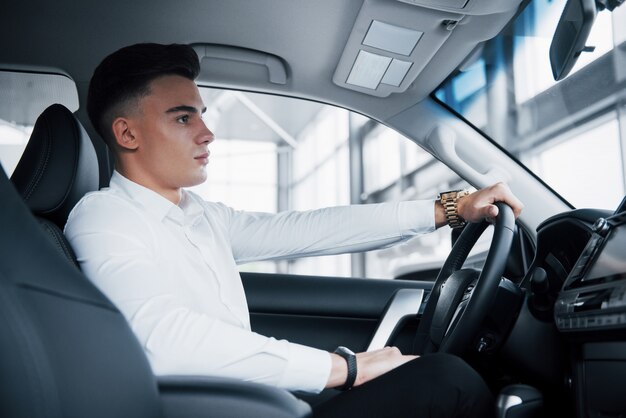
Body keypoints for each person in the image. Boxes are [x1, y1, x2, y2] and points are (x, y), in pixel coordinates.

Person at [65, 43, 523, 417]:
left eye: (202, 115)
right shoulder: (105, 216)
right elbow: (161, 340)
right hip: (215, 411)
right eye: (184, 118)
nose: (207, 133)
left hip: (252, 405)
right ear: (127, 135)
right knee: (448, 381)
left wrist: (451, 207)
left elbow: (308, 229)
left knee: (433, 375)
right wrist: (342, 368)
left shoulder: (199, 214)